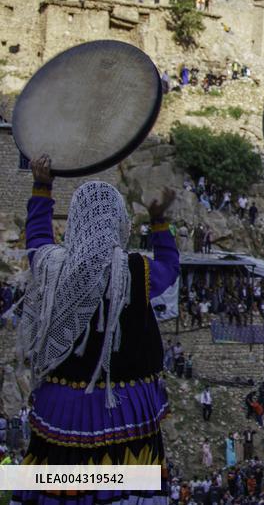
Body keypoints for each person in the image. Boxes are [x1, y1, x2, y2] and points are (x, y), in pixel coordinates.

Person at [13, 155, 179, 505]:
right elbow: (170, 267)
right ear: (118, 222)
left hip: (61, 406)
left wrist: (42, 187)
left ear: (75, 221)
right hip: (124, 406)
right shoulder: (136, 271)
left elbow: (37, 239)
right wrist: (159, 222)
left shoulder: (52, 266)